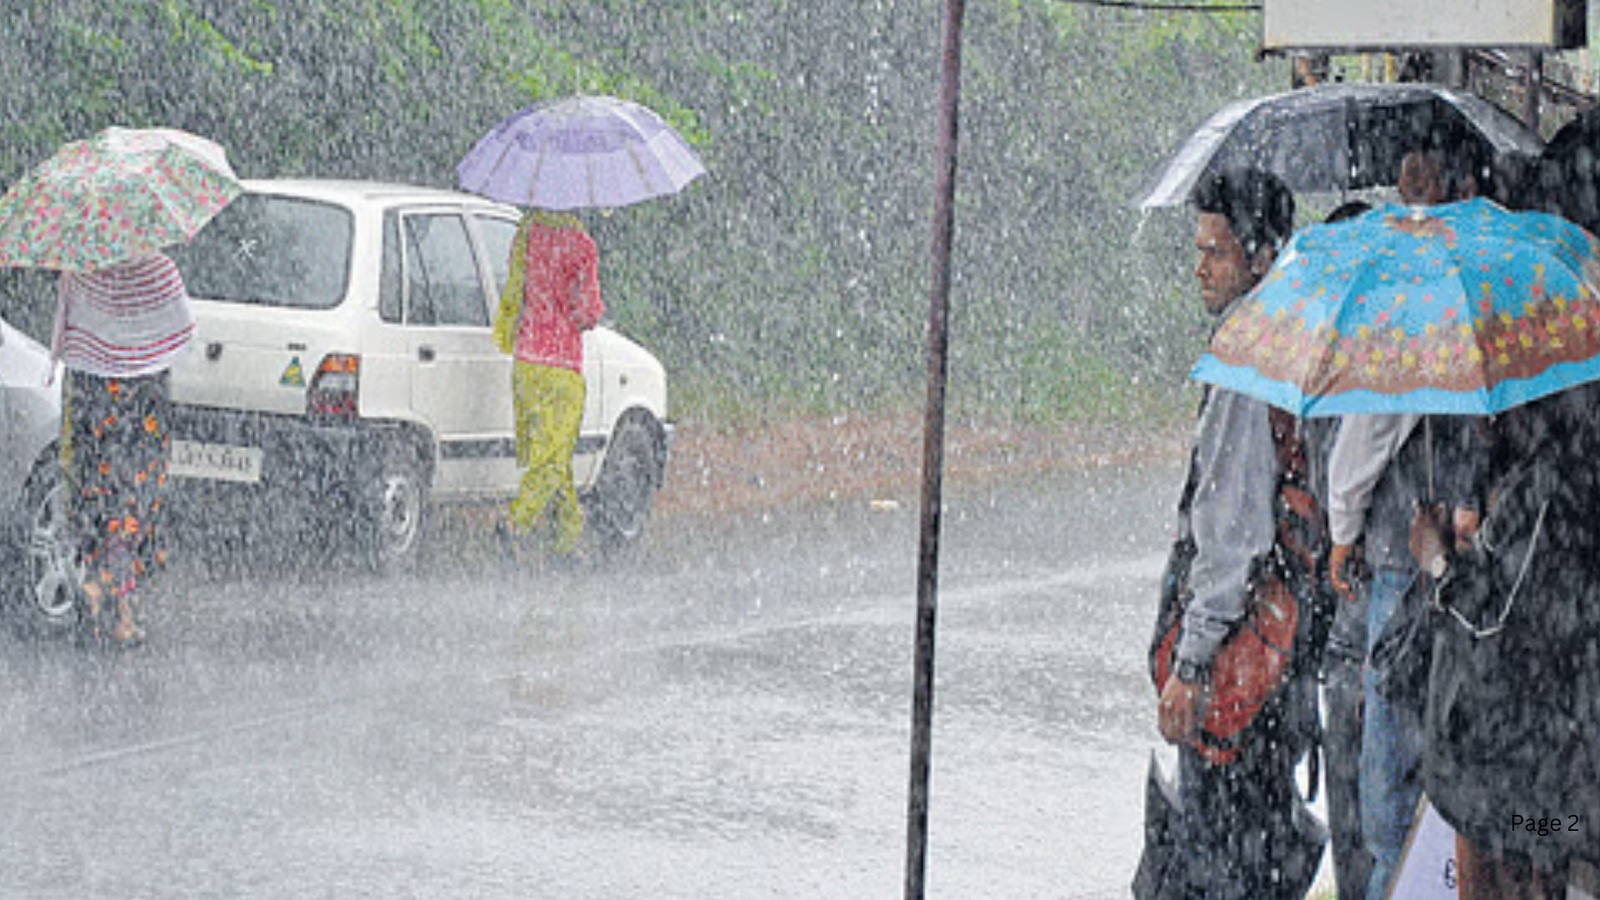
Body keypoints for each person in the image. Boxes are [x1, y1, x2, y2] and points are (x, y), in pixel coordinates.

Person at [1149, 168, 1312, 898]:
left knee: (1222, 857)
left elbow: (1230, 533)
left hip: (1239, 665)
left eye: (1216, 252)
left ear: (1261, 255)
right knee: (1260, 845)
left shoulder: (1248, 362)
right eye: (1200, 251)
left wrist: (1190, 667)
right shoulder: (1295, 337)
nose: (1201, 268)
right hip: (1284, 656)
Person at [1408, 385, 1600, 899]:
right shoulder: (1546, 468)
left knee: (1529, 859)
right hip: (1545, 764)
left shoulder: (1551, 484)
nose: (1480, 418)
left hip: (1534, 773)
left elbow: (1492, 628)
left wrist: (1438, 563)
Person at [54, 251, 194, 646]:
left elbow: (68, 337)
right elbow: (183, 330)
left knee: (93, 496)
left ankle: (104, 596)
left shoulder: (79, 271)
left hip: (91, 399)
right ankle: (111, 598)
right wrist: (137, 346)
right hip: (141, 404)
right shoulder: (159, 269)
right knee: (132, 502)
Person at [491, 208, 605, 557]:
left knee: (553, 453)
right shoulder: (582, 245)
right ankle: (516, 521)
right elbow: (588, 312)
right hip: (562, 365)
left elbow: (517, 289)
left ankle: (566, 539)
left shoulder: (526, 235)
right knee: (553, 458)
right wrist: (590, 309)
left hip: (526, 362)